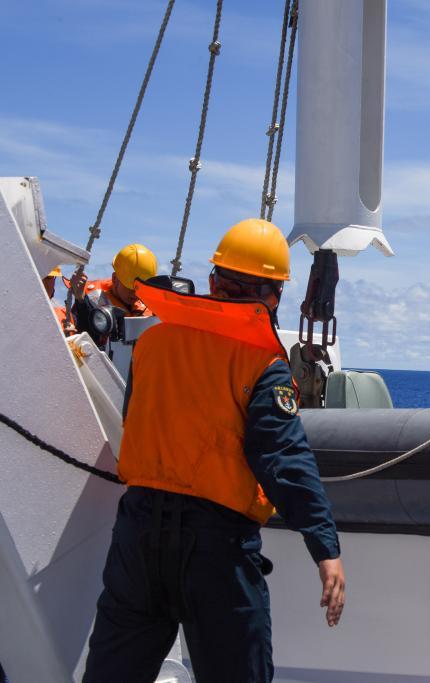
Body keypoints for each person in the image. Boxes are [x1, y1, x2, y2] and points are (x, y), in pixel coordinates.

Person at [83, 219, 345, 682]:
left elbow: (137, 421)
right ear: (275, 297)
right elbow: (283, 459)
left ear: (212, 283)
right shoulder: (263, 364)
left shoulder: (152, 343)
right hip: (215, 551)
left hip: (136, 539)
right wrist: (325, 547)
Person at [70, 242, 158, 329]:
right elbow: (81, 334)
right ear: (115, 279)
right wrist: (80, 301)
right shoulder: (91, 301)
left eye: (140, 289)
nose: (135, 294)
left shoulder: (150, 307)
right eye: (130, 287)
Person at [42, 265, 74, 333]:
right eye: (39, 276)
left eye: (48, 277)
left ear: (54, 280)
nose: (42, 282)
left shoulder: (64, 314)